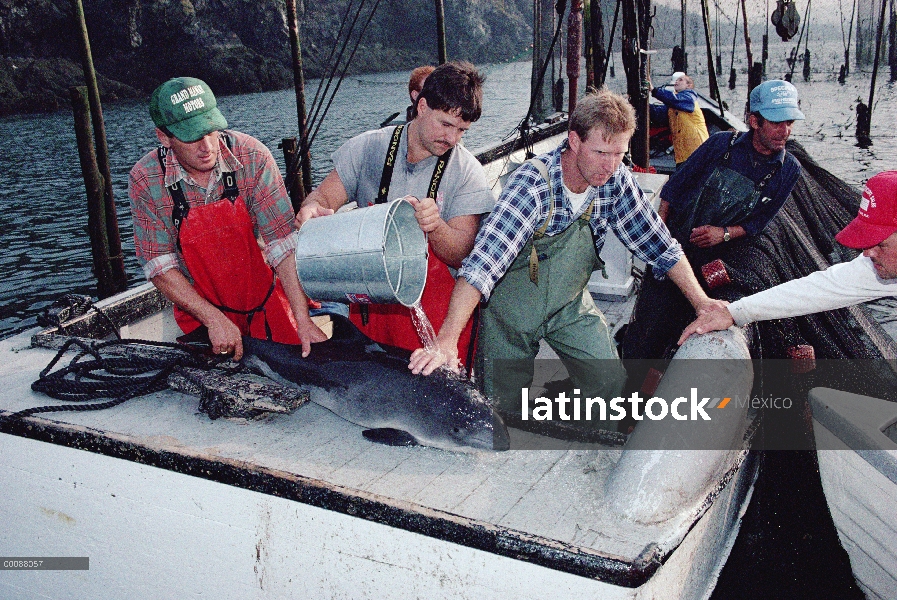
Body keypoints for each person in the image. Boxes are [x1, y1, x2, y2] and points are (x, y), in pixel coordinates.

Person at [408, 89, 726, 426]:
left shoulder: (615, 179)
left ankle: (557, 399)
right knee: (501, 411)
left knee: (611, 389)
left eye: (619, 153)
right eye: (601, 152)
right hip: (510, 313)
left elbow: (661, 246)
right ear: (573, 141)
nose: (610, 165)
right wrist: (446, 341)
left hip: (568, 303)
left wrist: (702, 302)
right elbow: (481, 266)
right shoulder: (533, 185)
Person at [296, 61, 494, 366]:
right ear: (422, 106)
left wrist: (436, 226)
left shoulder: (468, 172)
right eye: (445, 124)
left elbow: (462, 254)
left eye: (462, 130)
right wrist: (312, 208)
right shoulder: (368, 147)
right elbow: (323, 196)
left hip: (435, 316)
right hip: (372, 308)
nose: (452, 138)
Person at [129, 77, 327, 360]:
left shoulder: (253, 156)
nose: (207, 146)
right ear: (164, 137)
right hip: (199, 309)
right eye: (192, 136)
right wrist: (212, 319)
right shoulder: (145, 180)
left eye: (211, 130)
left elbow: (283, 245)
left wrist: (302, 318)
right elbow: (159, 266)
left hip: (265, 298)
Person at [622, 79, 805, 361]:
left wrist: (724, 233)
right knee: (649, 330)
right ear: (754, 121)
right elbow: (672, 191)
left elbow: (758, 223)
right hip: (675, 251)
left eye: (789, 121)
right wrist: (659, 242)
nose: (785, 131)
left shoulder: (788, 169)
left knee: (693, 320)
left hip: (717, 258)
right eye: (776, 122)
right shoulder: (720, 144)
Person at [679, 171, 897, 344]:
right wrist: (734, 312)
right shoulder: (875, 267)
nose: (868, 253)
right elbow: (823, 288)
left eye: (880, 244)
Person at [651, 72, 709, 166]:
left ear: (689, 85)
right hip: (682, 156)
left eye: (681, 80)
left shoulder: (690, 97)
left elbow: (675, 100)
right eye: (676, 80)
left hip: (697, 151)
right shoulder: (672, 106)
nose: (676, 82)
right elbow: (659, 113)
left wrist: (654, 91)